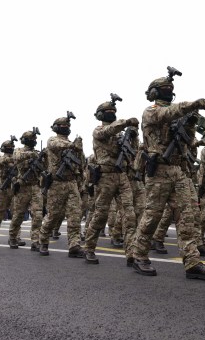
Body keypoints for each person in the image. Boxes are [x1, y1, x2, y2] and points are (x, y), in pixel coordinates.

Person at [130, 68, 205, 280]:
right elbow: (167, 113)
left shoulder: (181, 115)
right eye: (164, 89)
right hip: (158, 171)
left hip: (179, 171)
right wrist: (192, 105)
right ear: (154, 93)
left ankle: (192, 262)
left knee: (186, 216)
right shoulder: (150, 111)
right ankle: (139, 254)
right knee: (152, 216)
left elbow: (202, 133)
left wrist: (193, 123)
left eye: (170, 89)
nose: (168, 92)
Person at [83, 96, 139, 265]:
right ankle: (89, 248)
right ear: (100, 115)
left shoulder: (120, 134)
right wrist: (125, 122)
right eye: (108, 112)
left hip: (121, 176)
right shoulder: (98, 131)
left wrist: (133, 136)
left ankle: (132, 254)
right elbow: (108, 131)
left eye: (113, 112)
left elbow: (133, 152)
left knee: (129, 216)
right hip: (105, 177)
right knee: (100, 215)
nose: (112, 114)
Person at [38, 114, 86, 257]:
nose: (66, 128)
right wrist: (73, 145)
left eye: (67, 126)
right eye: (63, 126)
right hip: (56, 183)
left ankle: (74, 246)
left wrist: (78, 149)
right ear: (56, 128)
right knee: (53, 215)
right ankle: (43, 241)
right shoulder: (53, 140)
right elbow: (55, 145)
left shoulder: (73, 145)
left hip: (71, 183)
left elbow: (81, 163)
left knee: (75, 215)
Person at [10, 129, 45, 251]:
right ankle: (13, 237)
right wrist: (32, 156)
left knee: (38, 214)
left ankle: (35, 240)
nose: (34, 141)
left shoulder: (37, 153)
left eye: (35, 140)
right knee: (19, 214)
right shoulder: (18, 151)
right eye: (31, 139)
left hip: (35, 186)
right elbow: (17, 158)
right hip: (22, 186)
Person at [0, 137, 18, 245]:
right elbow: (4, 161)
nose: (11, 149)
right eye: (8, 147)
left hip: (14, 189)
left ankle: (15, 237)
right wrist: (16, 158)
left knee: (16, 214)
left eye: (12, 147)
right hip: (3, 189)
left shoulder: (16, 158)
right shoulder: (1, 159)